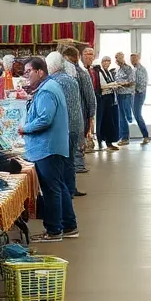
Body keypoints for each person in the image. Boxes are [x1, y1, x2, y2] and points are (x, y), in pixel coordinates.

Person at [19, 57, 77, 242]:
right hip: (53, 146)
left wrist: (24, 128)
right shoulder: (49, 87)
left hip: (47, 147)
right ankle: (69, 226)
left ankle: (53, 230)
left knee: (51, 190)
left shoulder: (46, 91)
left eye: (29, 72)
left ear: (40, 71)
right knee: (58, 186)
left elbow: (45, 119)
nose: (26, 75)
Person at [47, 52, 85, 197]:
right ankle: (71, 188)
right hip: (75, 125)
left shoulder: (54, 82)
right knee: (70, 160)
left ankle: (64, 191)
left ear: (51, 66)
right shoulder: (71, 79)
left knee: (60, 161)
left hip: (64, 127)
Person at [65, 46, 95, 171]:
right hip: (80, 111)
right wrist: (92, 113)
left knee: (76, 138)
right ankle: (77, 164)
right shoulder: (81, 73)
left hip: (78, 111)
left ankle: (77, 164)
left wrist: (91, 114)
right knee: (78, 138)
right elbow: (90, 96)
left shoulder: (80, 74)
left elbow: (89, 95)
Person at [93, 55, 120, 151]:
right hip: (103, 98)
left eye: (108, 61)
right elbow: (101, 86)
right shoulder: (99, 72)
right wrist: (113, 85)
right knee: (103, 120)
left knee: (110, 120)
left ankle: (109, 141)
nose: (106, 63)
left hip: (110, 98)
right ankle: (102, 140)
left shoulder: (108, 72)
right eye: (104, 61)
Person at [113, 52, 135, 145]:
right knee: (121, 116)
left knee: (124, 116)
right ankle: (122, 136)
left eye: (118, 58)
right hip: (119, 94)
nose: (117, 60)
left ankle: (125, 138)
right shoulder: (118, 69)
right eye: (116, 58)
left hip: (126, 94)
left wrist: (120, 84)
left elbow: (131, 81)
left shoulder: (128, 68)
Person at [130, 52, 150, 144]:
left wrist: (134, 89)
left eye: (134, 59)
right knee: (136, 114)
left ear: (138, 59)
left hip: (139, 94)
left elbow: (142, 84)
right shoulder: (134, 69)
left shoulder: (141, 69)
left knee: (137, 115)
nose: (132, 61)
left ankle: (146, 136)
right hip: (135, 94)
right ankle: (145, 135)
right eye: (131, 59)